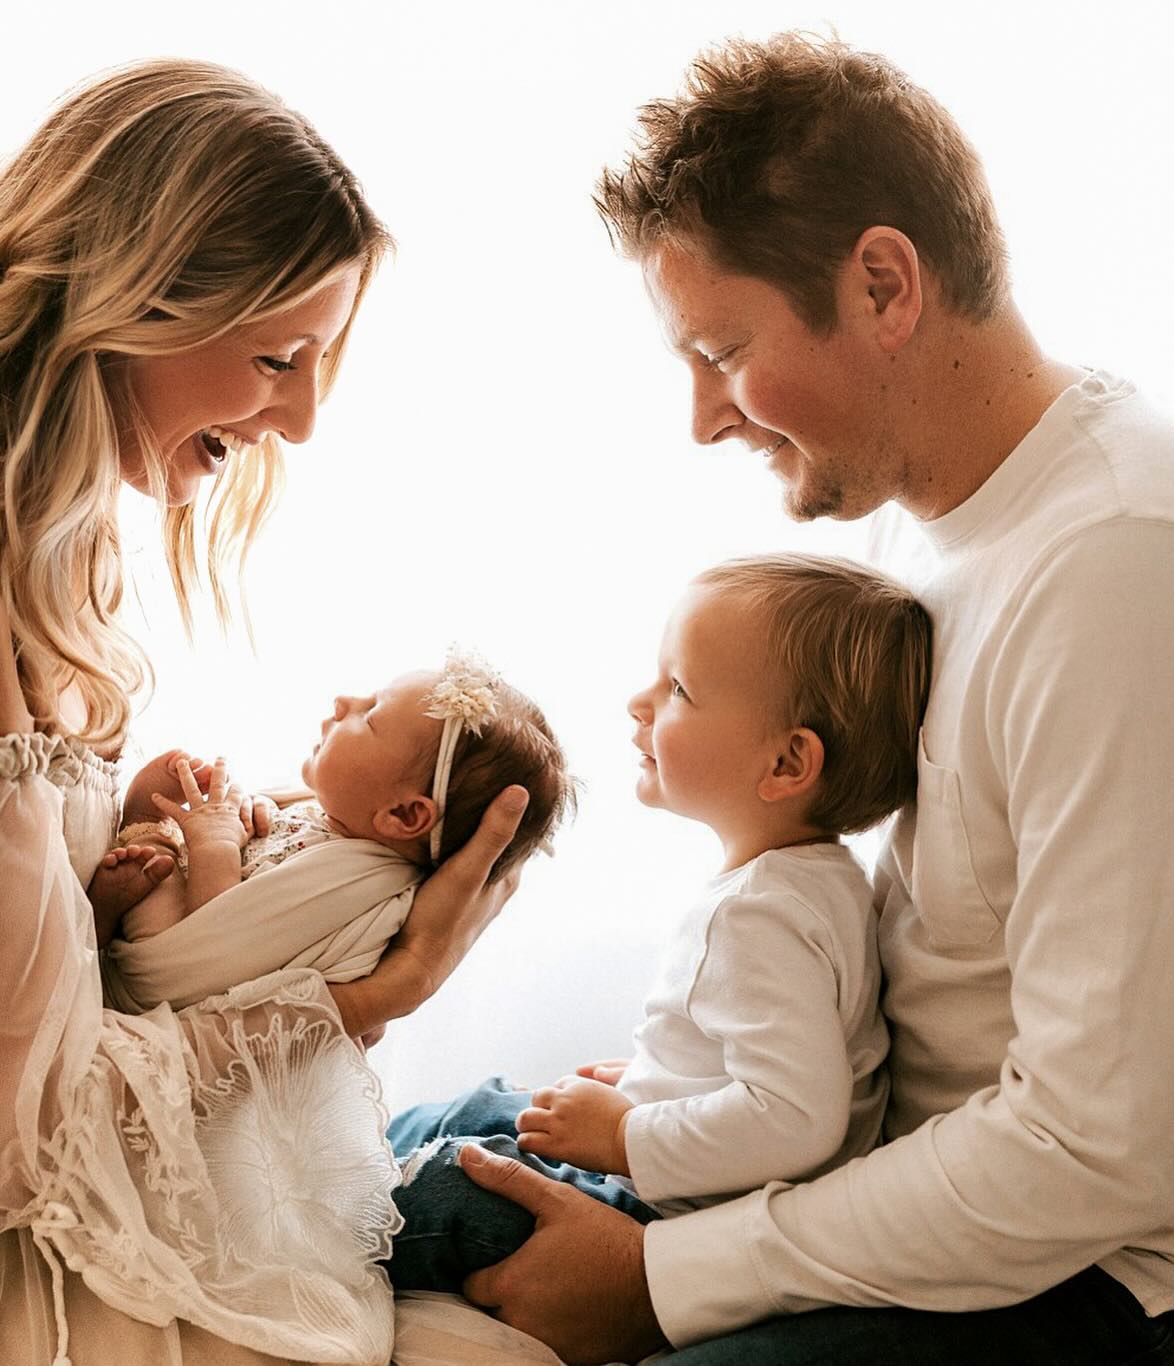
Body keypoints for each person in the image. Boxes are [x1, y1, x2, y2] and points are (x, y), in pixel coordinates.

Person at [447, 32, 1174, 1366]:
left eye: (721, 350)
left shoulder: (1118, 567)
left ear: (882, 284)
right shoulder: (917, 524)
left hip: (1084, 1274)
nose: (703, 418)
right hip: (902, 1188)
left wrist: (667, 1275)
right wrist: (681, 1104)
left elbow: (1094, 1147)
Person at [0, 59, 535, 1366]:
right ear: (126, 308)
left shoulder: (39, 534)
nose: (298, 419)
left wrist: (104, 863)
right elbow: (10, 1134)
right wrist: (370, 994)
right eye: (277, 358)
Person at [383, 555, 928, 1293]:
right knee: (490, 1106)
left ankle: (313, 1214)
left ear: (787, 762)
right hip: (687, 1177)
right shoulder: (817, 880)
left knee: (448, 1189)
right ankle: (355, 1156)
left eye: (678, 689)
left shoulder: (759, 914)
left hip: (669, 1214)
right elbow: (766, 1054)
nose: (640, 703)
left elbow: (797, 1119)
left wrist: (623, 1134)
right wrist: (663, 1083)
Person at [92, 655, 574, 1012]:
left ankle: (137, 843)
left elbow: (215, 950)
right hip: (189, 927)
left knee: (160, 849)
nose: (344, 702)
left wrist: (215, 843)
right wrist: (254, 810)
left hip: (163, 979)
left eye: (371, 716)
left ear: (405, 815)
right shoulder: (337, 821)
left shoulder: (360, 881)